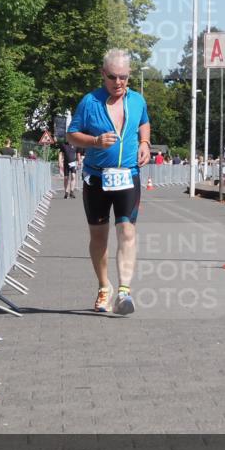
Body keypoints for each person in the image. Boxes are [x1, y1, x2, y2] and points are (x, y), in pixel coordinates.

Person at [66, 48, 150, 315]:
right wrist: (94, 141)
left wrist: (145, 142)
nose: (118, 83)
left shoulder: (137, 101)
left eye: (123, 77)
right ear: (103, 74)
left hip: (128, 175)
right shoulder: (89, 102)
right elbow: (71, 135)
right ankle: (104, 287)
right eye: (113, 77)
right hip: (97, 178)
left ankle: (124, 292)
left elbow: (144, 123)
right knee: (99, 237)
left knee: (127, 231)